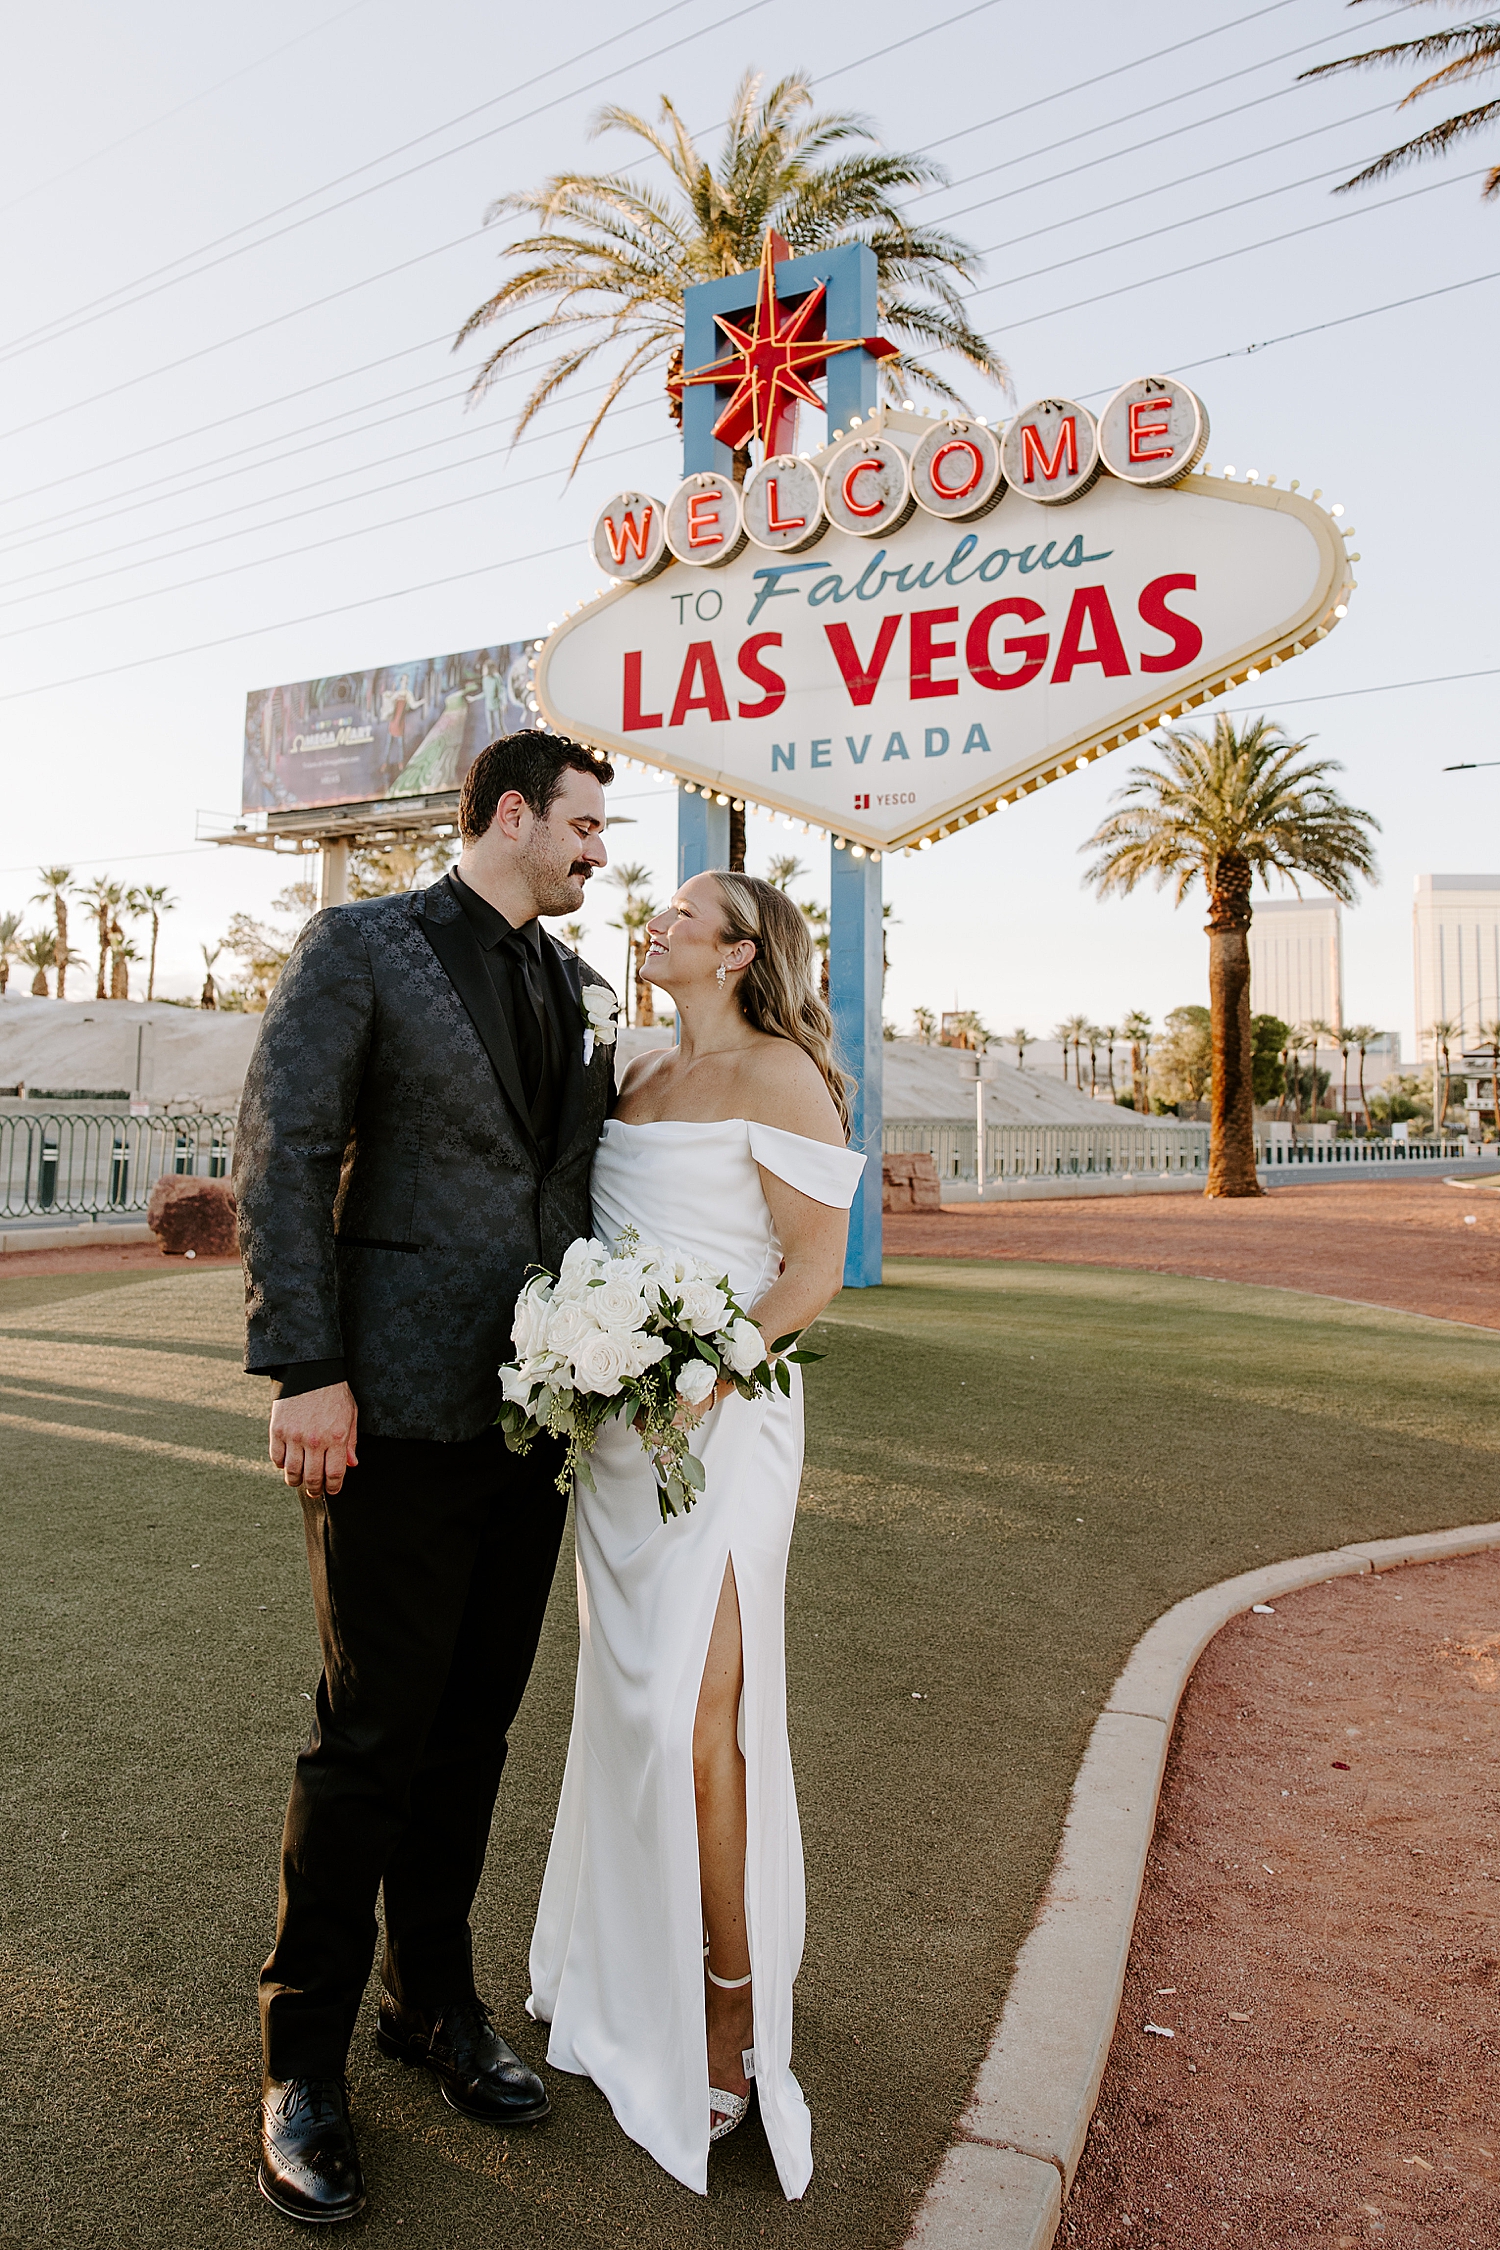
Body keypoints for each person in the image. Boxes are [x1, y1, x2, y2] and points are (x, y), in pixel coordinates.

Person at [234, 732, 617, 2225]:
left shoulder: (575, 990)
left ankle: (430, 2003)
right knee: (372, 1730)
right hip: (382, 1408)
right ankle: (302, 2062)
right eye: (584, 826)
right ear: (511, 816)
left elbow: (561, 1180)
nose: (598, 851)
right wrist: (301, 1367)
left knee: (474, 1729)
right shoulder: (360, 945)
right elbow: (284, 1151)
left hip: (532, 1421)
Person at [526, 870, 864, 2201]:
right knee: (624, 1712)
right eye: (655, 912)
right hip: (613, 1443)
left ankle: (727, 2003)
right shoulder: (631, 1071)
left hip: (726, 1428)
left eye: (681, 915)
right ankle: (621, 1963)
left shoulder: (783, 1076)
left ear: (736, 953)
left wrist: (707, 1368)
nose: (653, 922)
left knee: (694, 1717)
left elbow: (811, 1268)